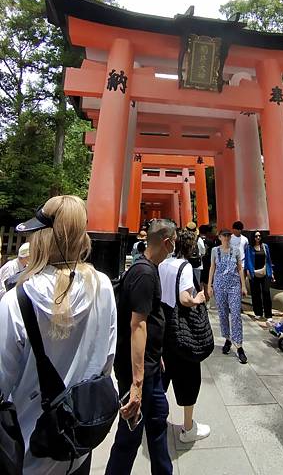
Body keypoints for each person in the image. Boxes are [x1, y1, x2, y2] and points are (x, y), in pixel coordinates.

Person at [0, 195, 117, 475]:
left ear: (39, 240)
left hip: (29, 448)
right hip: (79, 442)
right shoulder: (102, 286)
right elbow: (107, 361)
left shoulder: (17, 301)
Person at [105, 219, 177, 475]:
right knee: (130, 436)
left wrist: (155, 355)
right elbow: (138, 325)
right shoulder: (145, 273)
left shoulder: (147, 268)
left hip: (150, 366)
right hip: (139, 373)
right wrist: (136, 385)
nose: (175, 246)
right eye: (174, 241)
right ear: (167, 242)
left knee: (158, 421)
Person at [159, 229, 210, 443]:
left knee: (162, 376)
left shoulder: (162, 264)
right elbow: (184, 298)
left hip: (163, 326)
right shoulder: (186, 266)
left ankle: (153, 419)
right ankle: (188, 428)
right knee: (189, 377)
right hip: (182, 329)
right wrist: (198, 298)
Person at [208, 229, 248, 364]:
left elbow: (240, 268)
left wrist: (243, 285)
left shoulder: (236, 250)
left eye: (228, 235)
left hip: (234, 285)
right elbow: (212, 268)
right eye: (224, 235)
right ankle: (227, 338)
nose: (226, 238)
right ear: (219, 237)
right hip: (219, 285)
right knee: (223, 313)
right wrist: (210, 285)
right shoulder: (215, 251)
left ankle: (239, 345)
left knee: (236, 314)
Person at [245, 232, 274, 323]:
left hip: (265, 271)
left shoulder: (265, 246)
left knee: (266, 292)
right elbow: (248, 260)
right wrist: (250, 271)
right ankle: (258, 313)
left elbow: (268, 259)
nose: (258, 237)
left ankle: (268, 314)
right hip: (254, 273)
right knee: (255, 293)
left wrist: (271, 272)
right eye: (256, 236)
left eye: (259, 236)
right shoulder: (249, 248)